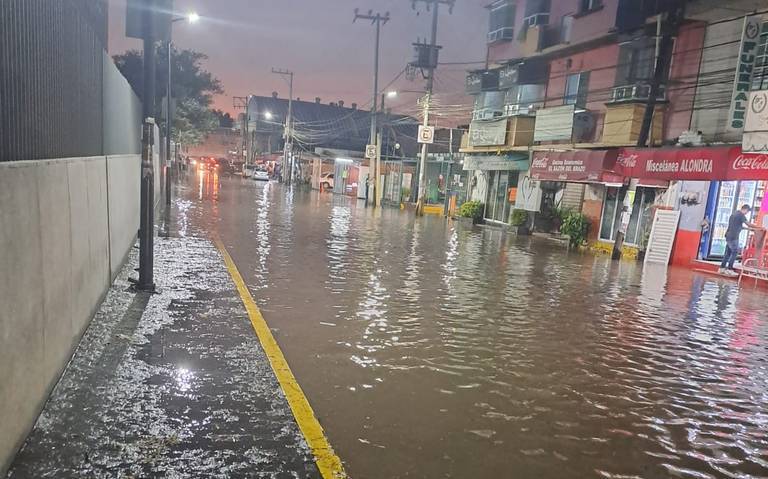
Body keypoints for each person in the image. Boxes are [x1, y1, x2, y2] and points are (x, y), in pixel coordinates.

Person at [719, 204, 759, 276]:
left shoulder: (734, 214)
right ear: (745, 209)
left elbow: (738, 226)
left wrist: (750, 229)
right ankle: (729, 269)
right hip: (734, 237)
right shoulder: (741, 215)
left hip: (728, 235)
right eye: (747, 211)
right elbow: (748, 224)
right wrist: (759, 227)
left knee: (728, 253)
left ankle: (722, 268)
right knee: (735, 252)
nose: (747, 213)